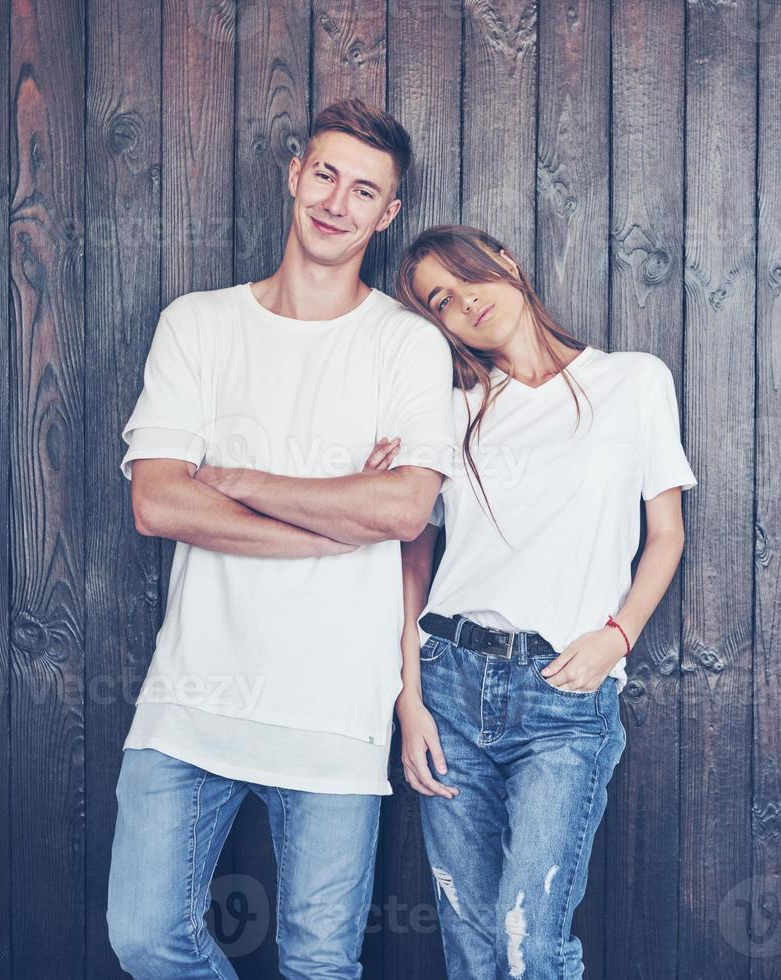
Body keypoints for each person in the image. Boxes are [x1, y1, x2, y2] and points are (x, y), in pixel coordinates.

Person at [106, 99, 457, 979]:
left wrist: (240, 483)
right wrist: (333, 521)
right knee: (145, 935)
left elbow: (404, 513)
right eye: (326, 175)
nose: (337, 202)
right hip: (190, 702)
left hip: (334, 713)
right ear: (294, 174)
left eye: (364, 189)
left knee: (319, 969)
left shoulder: (409, 347)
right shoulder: (198, 322)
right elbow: (157, 502)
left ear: (390, 213)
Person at [391, 225, 696, 979]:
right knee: (469, 946)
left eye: (471, 279)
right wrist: (408, 700)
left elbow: (666, 536)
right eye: (443, 302)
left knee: (531, 945)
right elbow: (410, 558)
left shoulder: (632, 380)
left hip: (563, 694)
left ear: (509, 264)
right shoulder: (450, 409)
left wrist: (617, 638)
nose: (466, 304)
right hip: (448, 685)